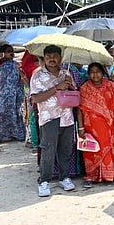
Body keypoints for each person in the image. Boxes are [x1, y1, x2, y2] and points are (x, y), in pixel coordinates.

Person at [30, 45, 76, 197]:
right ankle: (44, 181)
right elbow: (36, 98)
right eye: (48, 56)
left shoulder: (66, 73)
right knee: (48, 150)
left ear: (60, 58)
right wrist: (57, 87)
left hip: (67, 117)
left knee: (65, 150)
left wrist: (70, 85)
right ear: (44, 58)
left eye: (55, 56)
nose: (52, 59)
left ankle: (64, 178)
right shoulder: (37, 75)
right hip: (49, 118)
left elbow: (74, 94)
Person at [78, 63, 114, 188]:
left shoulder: (110, 86)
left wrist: (112, 114)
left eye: (98, 71)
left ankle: (110, 175)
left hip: (108, 126)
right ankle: (91, 175)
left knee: (108, 148)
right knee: (91, 151)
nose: (95, 74)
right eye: (92, 72)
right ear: (88, 74)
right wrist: (81, 128)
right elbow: (80, 110)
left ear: (103, 73)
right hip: (90, 127)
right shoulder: (84, 89)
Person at [0, 44, 26, 143]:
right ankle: (2, 136)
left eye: (12, 51)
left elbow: (22, 78)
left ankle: (17, 135)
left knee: (17, 113)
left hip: (17, 94)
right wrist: (3, 55)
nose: (11, 53)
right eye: (8, 51)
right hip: (4, 95)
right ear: (3, 52)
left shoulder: (17, 64)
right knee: (3, 114)